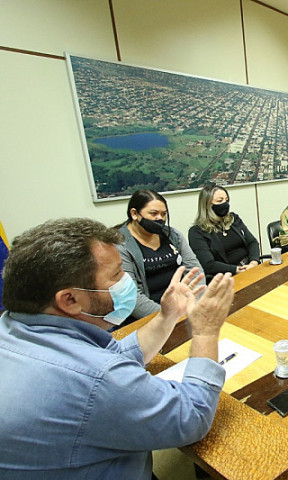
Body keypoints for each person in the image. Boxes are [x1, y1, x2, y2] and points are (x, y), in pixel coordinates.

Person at [0, 218, 235, 479]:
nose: (127, 281)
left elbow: (114, 356)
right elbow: (191, 417)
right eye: (116, 274)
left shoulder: (14, 329)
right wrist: (204, 331)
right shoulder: (94, 378)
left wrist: (167, 315)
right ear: (70, 299)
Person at [116, 189, 204, 321]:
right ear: (134, 214)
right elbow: (132, 297)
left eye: (163, 214)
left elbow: (195, 270)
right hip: (149, 317)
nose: (160, 219)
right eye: (154, 214)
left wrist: (193, 303)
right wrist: (169, 316)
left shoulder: (173, 235)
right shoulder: (120, 245)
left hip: (182, 308)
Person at [188, 184, 261, 279]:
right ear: (207, 205)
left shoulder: (234, 219)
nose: (225, 204)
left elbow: (252, 242)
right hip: (226, 277)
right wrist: (236, 269)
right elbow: (208, 264)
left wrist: (253, 263)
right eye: (220, 200)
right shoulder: (197, 232)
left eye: (226, 200)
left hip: (250, 269)